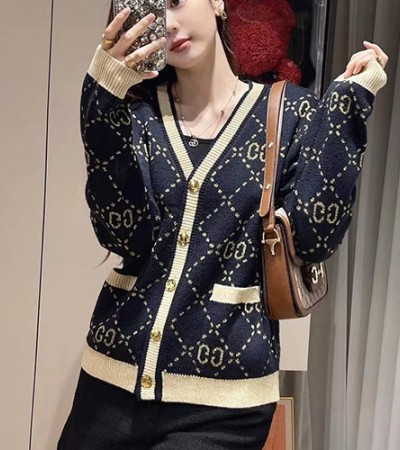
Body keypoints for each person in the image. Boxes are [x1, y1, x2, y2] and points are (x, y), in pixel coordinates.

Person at [57, 0, 388, 449]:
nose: (170, 24)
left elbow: (313, 237)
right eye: (154, 9)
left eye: (177, 2)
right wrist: (101, 97)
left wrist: (348, 104)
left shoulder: (291, 113)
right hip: (109, 386)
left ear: (216, 1)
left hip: (224, 404)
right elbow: (123, 235)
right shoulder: (138, 116)